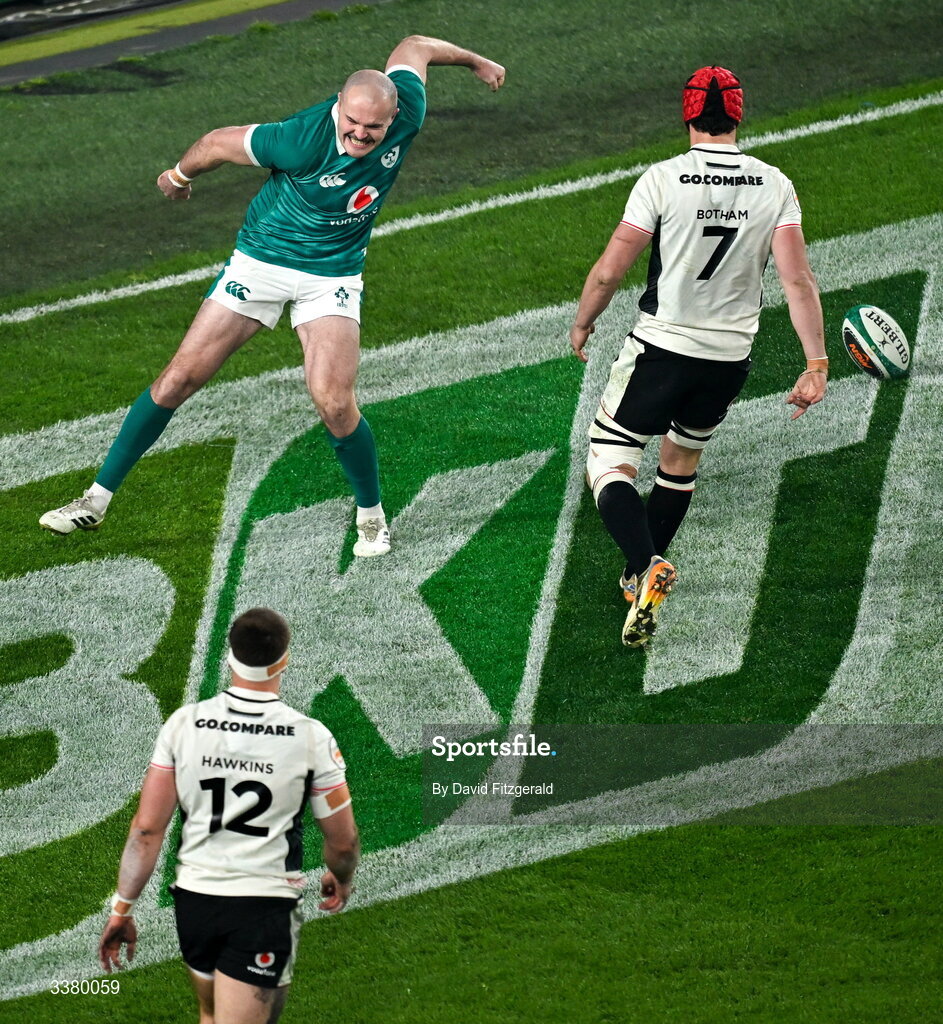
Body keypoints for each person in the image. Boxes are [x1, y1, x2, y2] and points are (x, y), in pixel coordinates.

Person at [41, 36, 506, 557]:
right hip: (262, 262)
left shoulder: (407, 109)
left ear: (394, 113)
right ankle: (96, 499)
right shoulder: (300, 138)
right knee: (178, 378)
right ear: (339, 106)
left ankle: (372, 516)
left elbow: (415, 45)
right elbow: (218, 141)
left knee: (333, 401)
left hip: (331, 275)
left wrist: (475, 61)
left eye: (373, 127)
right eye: (352, 121)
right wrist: (178, 176)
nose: (360, 133)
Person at [570, 66, 827, 648]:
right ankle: (640, 576)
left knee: (608, 459)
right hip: (729, 359)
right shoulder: (775, 184)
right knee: (681, 460)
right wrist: (816, 364)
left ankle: (646, 563)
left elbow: (611, 270)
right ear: (737, 114)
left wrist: (584, 321)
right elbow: (799, 282)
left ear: (687, 114)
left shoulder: (662, 180)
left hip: (662, 347)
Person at [98, 608, 359, 1024]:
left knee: (212, 1014)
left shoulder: (183, 725)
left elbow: (147, 829)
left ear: (230, 656)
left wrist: (122, 909)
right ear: (284, 659)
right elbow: (342, 841)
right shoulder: (310, 737)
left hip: (196, 904)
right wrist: (341, 877)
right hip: (261, 907)